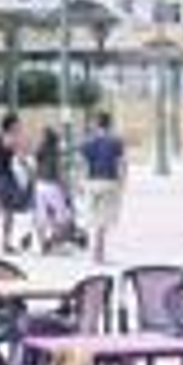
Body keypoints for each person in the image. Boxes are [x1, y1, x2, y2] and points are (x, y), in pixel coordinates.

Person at [78, 110, 127, 265]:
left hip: (92, 182)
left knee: (93, 217)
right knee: (103, 220)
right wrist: (123, 182)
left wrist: (81, 183)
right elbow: (121, 164)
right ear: (110, 124)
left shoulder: (87, 142)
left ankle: (96, 252)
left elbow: (83, 165)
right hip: (109, 182)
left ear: (96, 124)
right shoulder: (116, 142)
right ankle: (98, 253)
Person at [0, 112, 30, 253]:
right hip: (2, 177)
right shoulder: (6, 138)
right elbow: (20, 154)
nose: (20, 126)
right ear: (11, 125)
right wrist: (21, 140)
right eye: (17, 124)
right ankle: (5, 243)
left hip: (2, 176)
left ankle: (5, 242)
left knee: (5, 211)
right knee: (7, 210)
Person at [31, 126, 72, 253]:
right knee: (64, 217)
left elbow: (35, 168)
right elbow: (59, 173)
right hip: (51, 185)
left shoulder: (39, 150)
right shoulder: (55, 152)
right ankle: (53, 241)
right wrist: (65, 189)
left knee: (41, 217)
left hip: (39, 185)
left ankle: (43, 243)